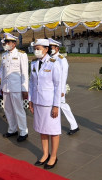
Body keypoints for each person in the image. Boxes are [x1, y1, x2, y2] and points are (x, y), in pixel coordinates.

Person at [29, 39, 62, 169]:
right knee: (42, 129)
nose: (36, 51)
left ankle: (53, 156)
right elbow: (32, 83)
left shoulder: (54, 63)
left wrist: (56, 105)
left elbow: (58, 86)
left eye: (38, 48)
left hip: (49, 103)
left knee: (53, 130)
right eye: (35, 48)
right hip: (38, 101)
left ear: (46, 49)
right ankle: (45, 154)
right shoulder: (33, 63)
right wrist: (31, 100)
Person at [0, 33, 29, 142]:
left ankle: (23, 131)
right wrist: (1, 84)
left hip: (16, 87)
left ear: (14, 43)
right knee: (8, 110)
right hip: (6, 87)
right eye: (5, 42)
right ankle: (12, 129)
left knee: (18, 110)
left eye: (8, 42)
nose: (6, 44)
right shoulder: (4, 55)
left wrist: (25, 89)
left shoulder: (21, 55)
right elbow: (2, 70)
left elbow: (25, 72)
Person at [49, 38, 79, 135]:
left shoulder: (62, 59)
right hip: (50, 87)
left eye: (51, 47)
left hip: (59, 88)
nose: (50, 49)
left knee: (62, 105)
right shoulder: (49, 58)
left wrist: (62, 90)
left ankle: (74, 125)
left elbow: (64, 76)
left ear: (57, 48)